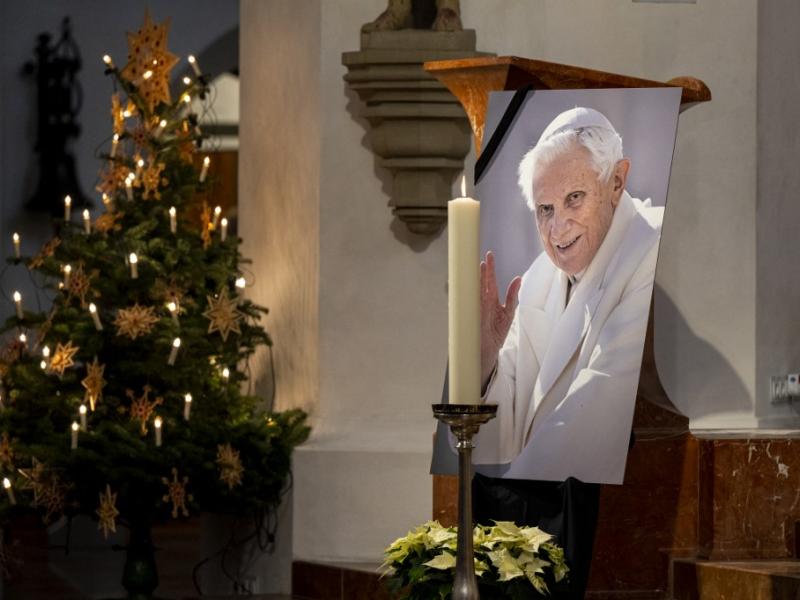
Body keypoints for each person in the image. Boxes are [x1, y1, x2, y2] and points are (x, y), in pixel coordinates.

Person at [471, 107, 663, 599]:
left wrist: (502, 510)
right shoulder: (540, 276)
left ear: (617, 181)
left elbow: (600, 397)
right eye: (545, 209)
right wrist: (485, 361)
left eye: (574, 198)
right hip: (535, 509)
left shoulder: (649, 244)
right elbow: (504, 419)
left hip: (584, 517)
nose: (558, 229)